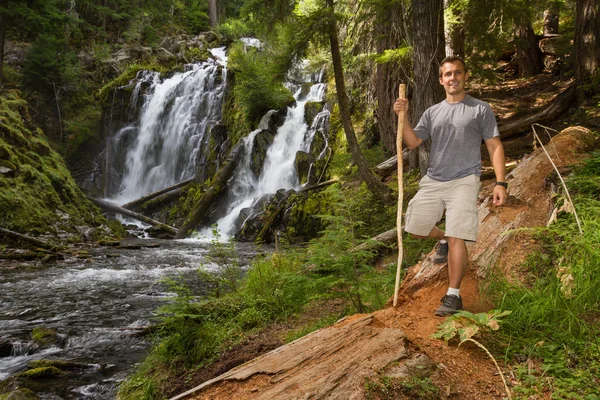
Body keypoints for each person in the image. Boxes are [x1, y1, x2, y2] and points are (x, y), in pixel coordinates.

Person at [393, 55, 507, 316]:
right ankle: (442, 238)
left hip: (465, 180)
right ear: (441, 80)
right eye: (448, 74)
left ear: (465, 76)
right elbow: (412, 142)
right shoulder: (433, 112)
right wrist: (403, 115)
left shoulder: (480, 109)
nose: (453, 78)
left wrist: (501, 182)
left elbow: (494, 145)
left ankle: (453, 296)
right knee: (415, 227)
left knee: (459, 236)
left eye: (457, 73)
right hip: (434, 179)